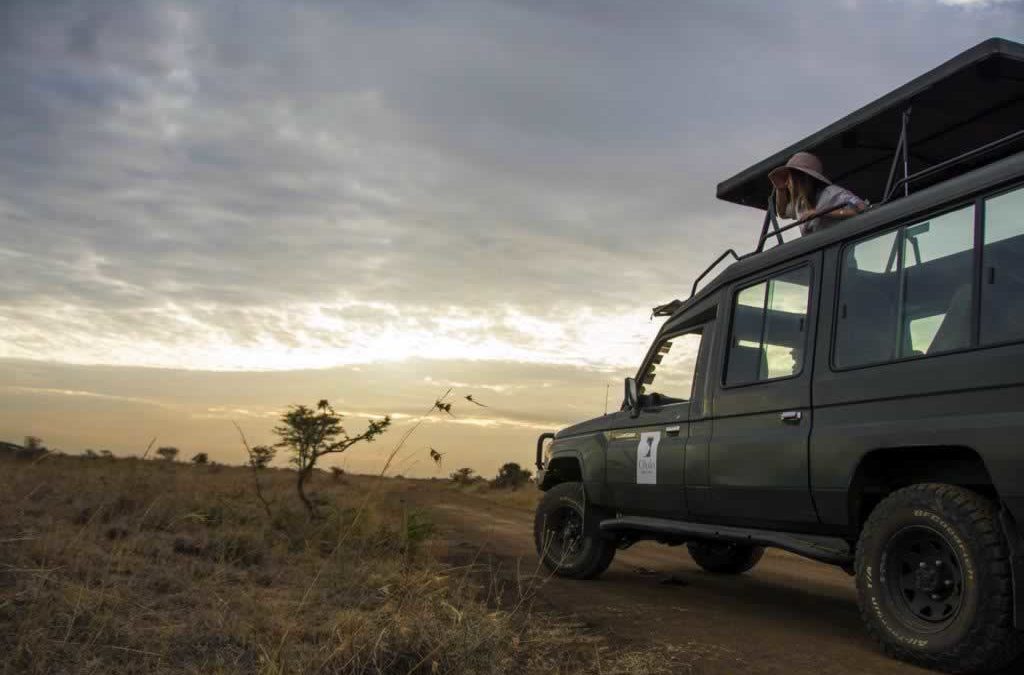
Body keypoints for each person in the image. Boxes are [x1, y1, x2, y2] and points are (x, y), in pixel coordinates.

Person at [769, 151, 867, 236]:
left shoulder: (831, 193)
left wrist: (820, 212)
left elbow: (859, 209)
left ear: (800, 179)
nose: (786, 183)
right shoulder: (801, 203)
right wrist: (780, 189)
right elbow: (782, 213)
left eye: (788, 178)